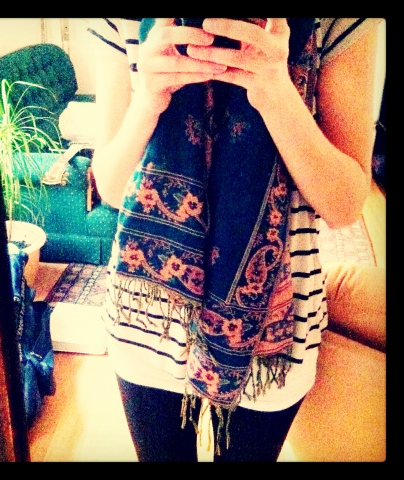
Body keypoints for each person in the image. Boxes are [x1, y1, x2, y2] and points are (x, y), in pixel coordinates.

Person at [87, 18, 381, 462]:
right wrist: (147, 99)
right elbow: (111, 186)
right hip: (149, 322)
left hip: (273, 333)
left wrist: (276, 93)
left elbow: (343, 206)